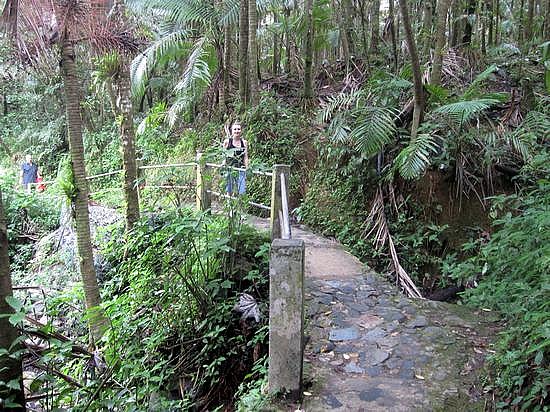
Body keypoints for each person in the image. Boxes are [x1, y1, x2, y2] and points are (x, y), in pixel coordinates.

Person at [222, 122, 249, 196]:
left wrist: (247, 169)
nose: (237, 131)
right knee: (229, 190)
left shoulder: (244, 142)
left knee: (242, 191)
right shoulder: (227, 142)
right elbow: (224, 155)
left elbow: (245, 157)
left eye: (238, 129)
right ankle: (229, 205)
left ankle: (240, 206)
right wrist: (223, 165)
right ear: (231, 131)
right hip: (230, 169)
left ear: (241, 130)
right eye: (235, 129)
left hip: (241, 169)